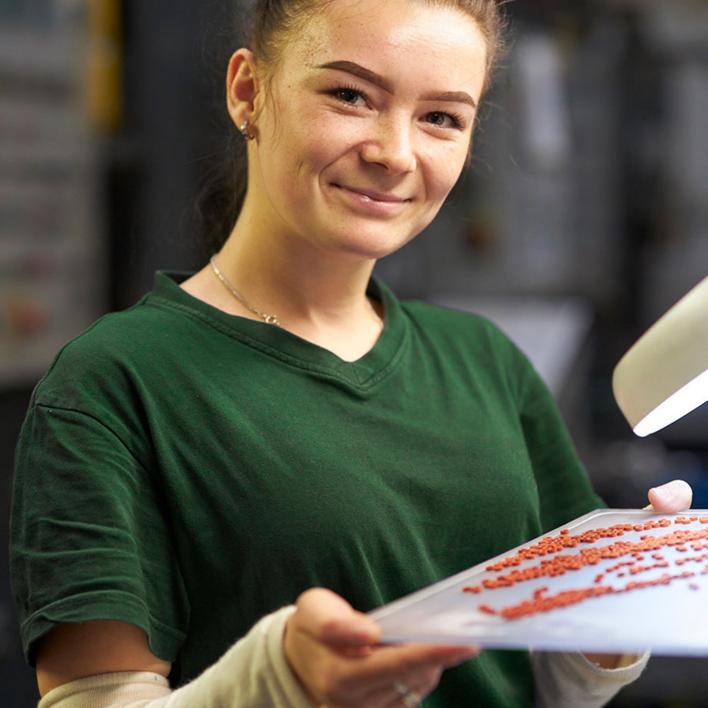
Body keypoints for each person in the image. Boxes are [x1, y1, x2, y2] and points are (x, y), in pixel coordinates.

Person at [9, 0, 694, 706]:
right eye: (350, 96)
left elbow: (546, 681)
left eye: (441, 118)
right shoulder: (115, 383)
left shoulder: (485, 361)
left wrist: (633, 589)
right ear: (249, 91)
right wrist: (279, 680)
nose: (394, 153)